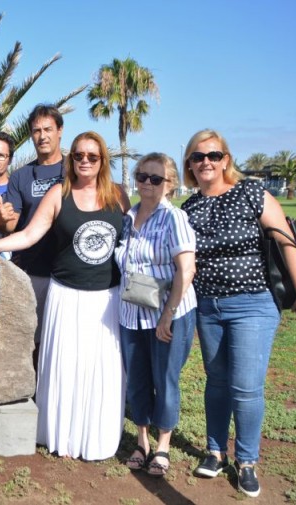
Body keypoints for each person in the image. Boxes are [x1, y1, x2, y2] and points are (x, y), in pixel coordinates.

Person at [0, 131, 130, 460]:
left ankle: (95, 438)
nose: (85, 161)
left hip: (106, 299)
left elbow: (137, 238)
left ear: (103, 162)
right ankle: (62, 437)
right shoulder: (59, 193)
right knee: (65, 367)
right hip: (66, 295)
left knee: (100, 369)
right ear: (71, 159)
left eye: (92, 157)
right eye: (79, 156)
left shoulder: (119, 196)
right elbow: (27, 235)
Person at [181, 129, 296, 497]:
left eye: (213, 155)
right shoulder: (189, 208)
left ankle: (247, 461)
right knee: (217, 381)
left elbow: (286, 242)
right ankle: (214, 451)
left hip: (252, 304)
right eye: (197, 157)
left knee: (246, 386)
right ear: (189, 165)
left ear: (226, 159)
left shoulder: (252, 193)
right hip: (207, 306)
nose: (205, 162)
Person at [115, 153, 197, 477]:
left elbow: (186, 270)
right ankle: (142, 441)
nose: (148, 183)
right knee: (136, 378)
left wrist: (168, 314)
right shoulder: (127, 218)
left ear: (170, 184)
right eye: (143, 176)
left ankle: (163, 445)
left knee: (165, 379)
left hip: (167, 314)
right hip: (130, 313)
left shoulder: (174, 218)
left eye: (156, 178)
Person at [0, 104, 66, 364]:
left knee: (61, 341)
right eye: (36, 130)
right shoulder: (21, 176)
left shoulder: (74, 171)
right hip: (31, 271)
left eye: (48, 129)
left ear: (60, 131)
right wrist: (3, 221)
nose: (42, 135)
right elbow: (10, 227)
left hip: (67, 275)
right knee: (31, 342)